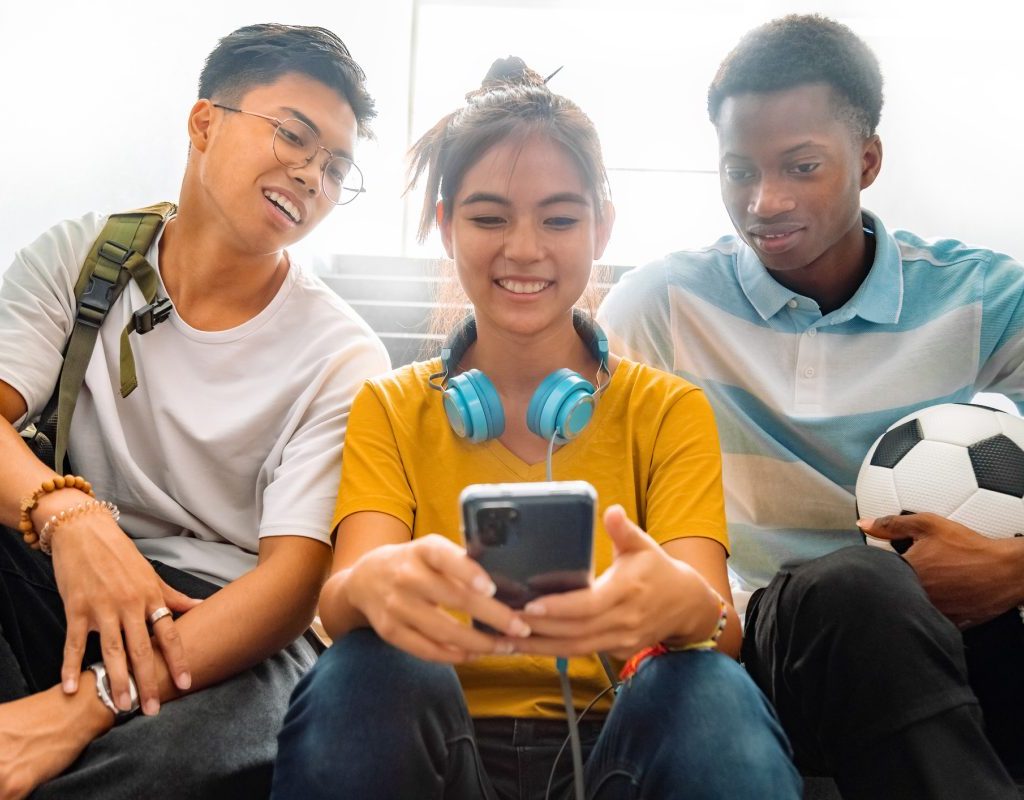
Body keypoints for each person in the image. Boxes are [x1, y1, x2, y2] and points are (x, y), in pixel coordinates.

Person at [270, 57, 801, 800]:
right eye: (489, 218)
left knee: (707, 685)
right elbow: (339, 601)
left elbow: (721, 627)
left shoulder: (668, 409)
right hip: (438, 740)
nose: (524, 249)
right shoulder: (389, 406)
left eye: (559, 219)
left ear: (601, 227)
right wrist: (372, 587)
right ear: (446, 226)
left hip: (616, 741)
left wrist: (678, 604)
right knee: (361, 670)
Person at [598, 13, 1024, 799]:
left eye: (801, 167)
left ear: (867, 160)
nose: (764, 202)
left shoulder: (988, 302)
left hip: (944, 641)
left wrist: (1015, 567)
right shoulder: (658, 308)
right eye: (738, 171)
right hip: (752, 642)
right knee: (859, 587)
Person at [0, 23, 389, 800]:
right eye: (293, 135)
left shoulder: (343, 355)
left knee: (214, 749)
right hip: (60, 572)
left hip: (220, 625)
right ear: (204, 122)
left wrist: (88, 705)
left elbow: (291, 584)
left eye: (337, 165)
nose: (312, 174)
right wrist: (70, 516)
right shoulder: (81, 259)